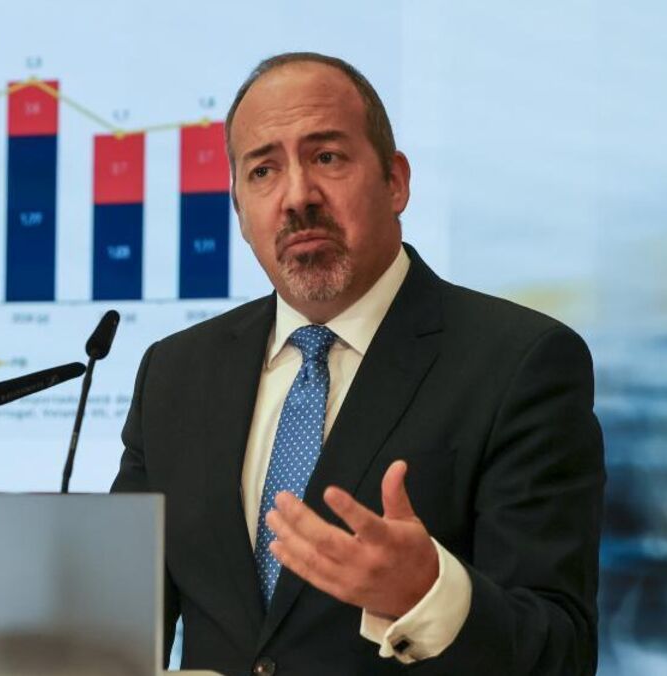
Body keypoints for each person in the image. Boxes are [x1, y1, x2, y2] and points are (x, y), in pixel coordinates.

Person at [111, 52, 604, 676]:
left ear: (395, 182)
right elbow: (118, 625)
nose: (297, 197)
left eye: (326, 157)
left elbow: (561, 651)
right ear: (240, 211)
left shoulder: (520, 363)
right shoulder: (175, 374)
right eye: (263, 170)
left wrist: (429, 597)